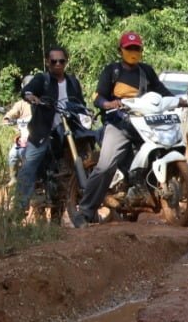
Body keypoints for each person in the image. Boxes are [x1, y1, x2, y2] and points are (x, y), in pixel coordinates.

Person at [71, 31, 173, 228]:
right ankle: (84, 212)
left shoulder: (146, 71)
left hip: (144, 124)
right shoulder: (112, 71)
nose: (133, 52)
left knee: (162, 149)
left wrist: (178, 101)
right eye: (129, 48)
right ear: (120, 50)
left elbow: (162, 91)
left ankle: (147, 191)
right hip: (118, 124)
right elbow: (98, 98)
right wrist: (108, 104)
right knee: (105, 166)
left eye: (136, 48)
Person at [14, 47, 87, 212]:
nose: (58, 64)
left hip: (70, 129)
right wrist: (31, 96)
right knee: (29, 166)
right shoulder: (42, 79)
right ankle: (19, 209)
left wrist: (86, 113)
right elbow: (27, 91)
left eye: (61, 61)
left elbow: (81, 103)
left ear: (66, 62)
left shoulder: (73, 81)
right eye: (54, 61)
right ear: (47, 62)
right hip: (44, 131)